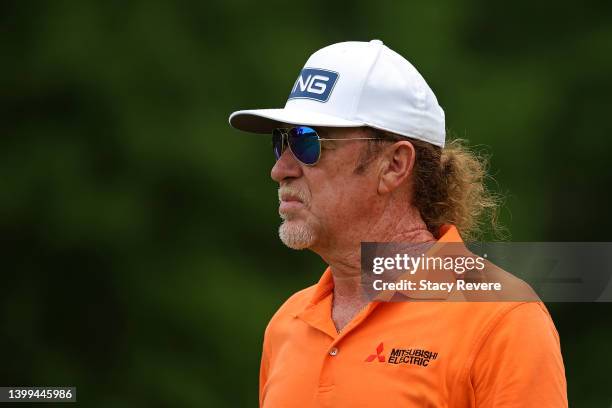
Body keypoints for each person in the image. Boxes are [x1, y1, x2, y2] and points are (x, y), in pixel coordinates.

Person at [229, 40, 567, 407]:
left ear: (393, 166)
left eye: (309, 143)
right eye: (282, 142)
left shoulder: (504, 320)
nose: (280, 170)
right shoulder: (286, 326)